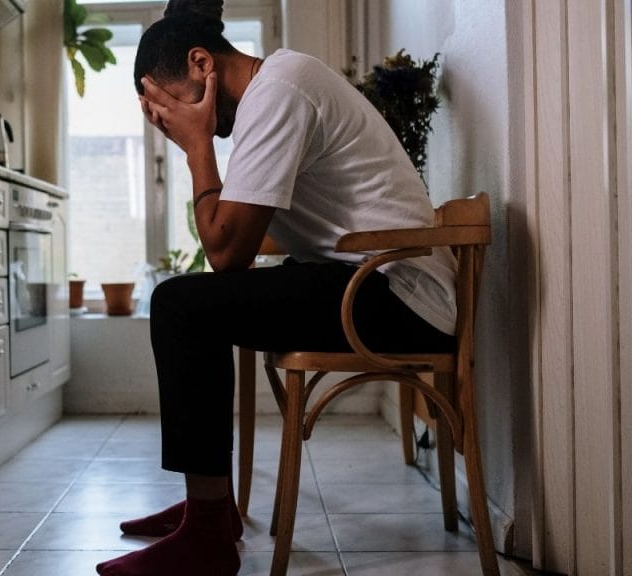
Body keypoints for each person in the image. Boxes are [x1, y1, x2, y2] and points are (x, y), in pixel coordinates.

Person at [95, 2, 458, 575]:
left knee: (180, 305)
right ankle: (207, 508)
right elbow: (232, 238)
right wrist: (200, 145)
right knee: (189, 303)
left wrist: (196, 147)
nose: (173, 124)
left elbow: (225, 253)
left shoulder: (281, 91)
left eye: (170, 108)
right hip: (366, 279)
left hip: (398, 294)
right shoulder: (273, 94)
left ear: (200, 63)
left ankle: (209, 529)